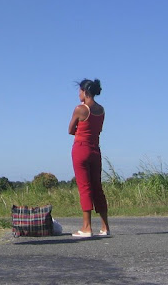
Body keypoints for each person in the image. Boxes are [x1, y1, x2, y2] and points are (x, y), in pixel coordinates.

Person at [68, 78, 110, 238]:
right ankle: (105, 227)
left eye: (79, 91)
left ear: (85, 92)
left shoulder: (80, 109)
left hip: (81, 148)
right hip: (95, 149)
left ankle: (86, 227)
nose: (78, 94)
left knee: (85, 188)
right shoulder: (101, 110)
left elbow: (70, 129)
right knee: (97, 187)